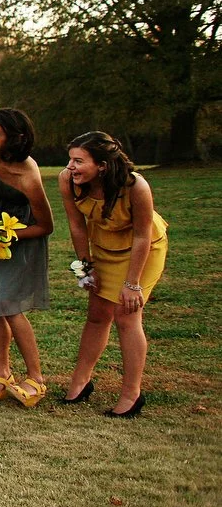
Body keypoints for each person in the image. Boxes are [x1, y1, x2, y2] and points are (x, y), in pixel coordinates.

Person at [58, 131, 168, 417]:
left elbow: (143, 236)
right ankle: (80, 382)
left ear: (102, 165)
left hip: (143, 250)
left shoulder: (135, 187)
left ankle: (132, 394)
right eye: (70, 159)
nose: (71, 167)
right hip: (103, 248)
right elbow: (77, 226)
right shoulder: (67, 181)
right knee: (96, 313)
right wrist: (85, 268)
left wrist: (132, 284)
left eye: (79, 161)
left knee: (126, 314)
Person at [0, 108, 53, 407]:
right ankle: (2, 374)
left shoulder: (28, 174)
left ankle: (36, 379)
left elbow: (46, 225)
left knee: (8, 304)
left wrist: (6, 235)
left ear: (14, 139)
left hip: (23, 236)